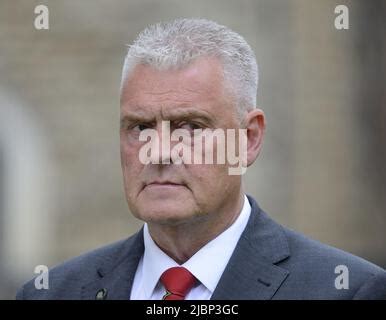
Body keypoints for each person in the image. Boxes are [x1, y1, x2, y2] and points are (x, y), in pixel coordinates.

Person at [17, 18, 386, 300]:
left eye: (190, 126)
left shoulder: (346, 290)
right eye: (140, 127)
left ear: (249, 138)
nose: (158, 151)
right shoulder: (52, 292)